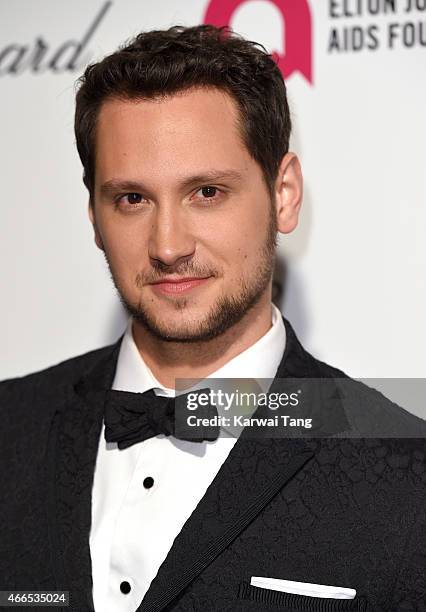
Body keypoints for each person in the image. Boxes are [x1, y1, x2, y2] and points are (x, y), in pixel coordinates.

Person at [1, 25, 425, 612]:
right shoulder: (10, 428)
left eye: (206, 192)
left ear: (284, 195)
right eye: (132, 199)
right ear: (94, 216)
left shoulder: (406, 473)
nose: (168, 245)